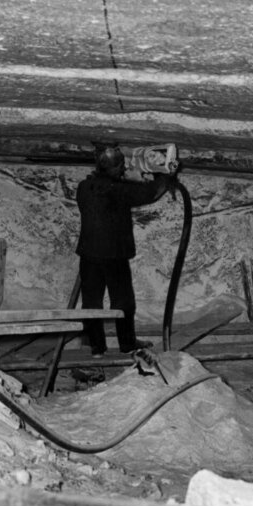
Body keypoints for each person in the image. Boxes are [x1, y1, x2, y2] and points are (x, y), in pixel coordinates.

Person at [75, 145, 173, 357]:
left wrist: (130, 179)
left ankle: (96, 346)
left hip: (89, 253)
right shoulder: (117, 189)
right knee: (123, 302)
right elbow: (150, 193)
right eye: (120, 165)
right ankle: (127, 344)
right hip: (114, 254)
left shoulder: (84, 186)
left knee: (91, 302)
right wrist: (164, 175)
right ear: (114, 168)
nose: (124, 168)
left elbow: (114, 189)